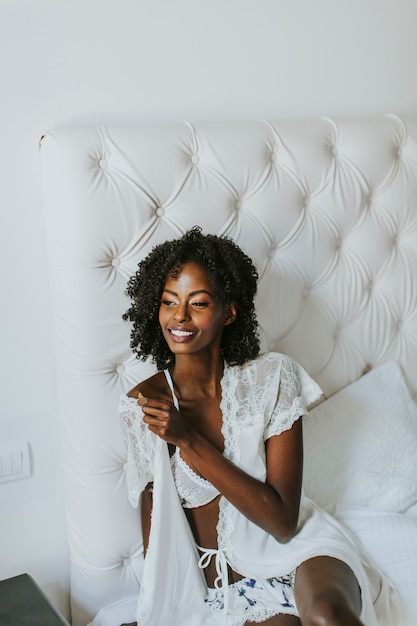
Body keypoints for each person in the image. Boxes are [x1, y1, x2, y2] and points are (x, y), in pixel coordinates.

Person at [119, 227, 395, 626]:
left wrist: (188, 439)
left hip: (299, 552)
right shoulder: (144, 405)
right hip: (227, 590)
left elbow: (283, 523)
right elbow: (155, 525)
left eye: (198, 303)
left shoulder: (272, 379)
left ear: (229, 311)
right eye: (168, 302)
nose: (179, 316)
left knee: (327, 616)